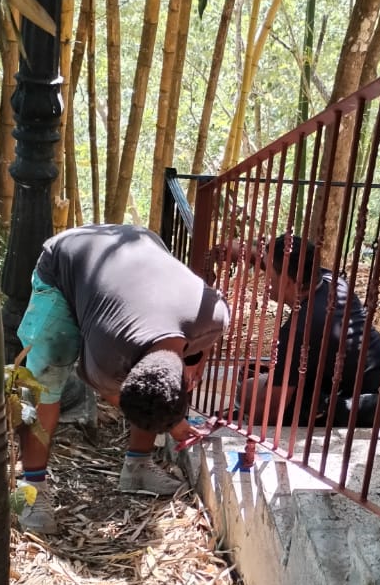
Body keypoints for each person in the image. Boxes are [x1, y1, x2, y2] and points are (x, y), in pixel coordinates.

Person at [17, 224, 229, 534]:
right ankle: (33, 490)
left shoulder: (214, 316)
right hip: (67, 261)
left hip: (141, 248)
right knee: (46, 381)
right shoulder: (109, 355)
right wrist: (172, 422)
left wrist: (194, 359)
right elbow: (121, 395)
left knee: (155, 392)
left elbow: (153, 389)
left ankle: (138, 468)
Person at [236, 234, 380, 429]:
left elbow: (271, 412)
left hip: (356, 404)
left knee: (248, 394)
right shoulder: (331, 281)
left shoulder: (299, 330)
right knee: (251, 387)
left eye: (269, 274)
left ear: (289, 281)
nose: (265, 279)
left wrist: (244, 423)